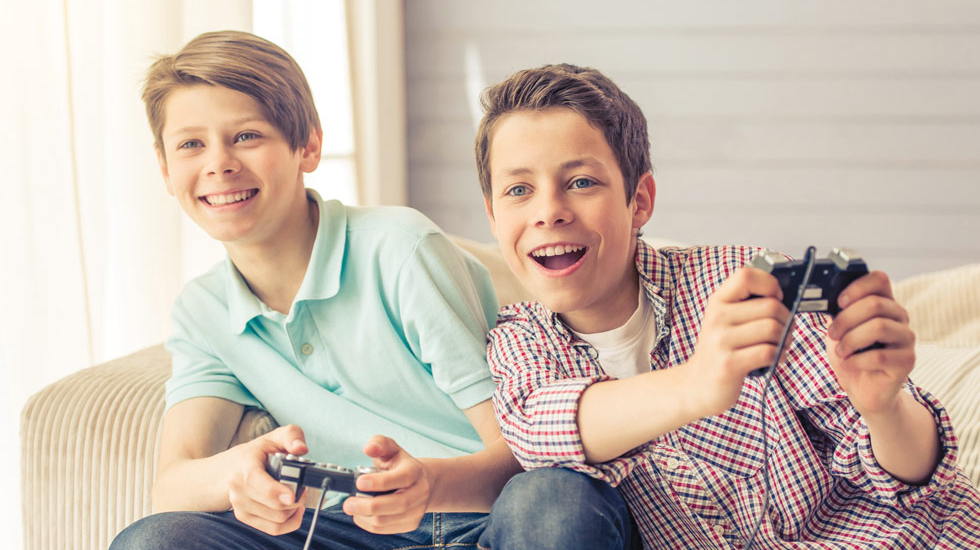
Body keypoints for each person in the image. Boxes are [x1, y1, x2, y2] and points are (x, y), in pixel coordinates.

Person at [110, 33, 634, 550]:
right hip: (349, 529)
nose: (219, 162)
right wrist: (237, 471)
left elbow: (525, 443)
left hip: (486, 516)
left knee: (553, 502)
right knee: (153, 540)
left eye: (247, 136)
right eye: (190, 144)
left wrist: (428, 484)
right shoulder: (204, 310)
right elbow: (170, 486)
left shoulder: (400, 249)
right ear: (165, 169)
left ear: (308, 145)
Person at [476, 63, 980, 548]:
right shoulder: (519, 343)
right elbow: (539, 438)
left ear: (641, 200)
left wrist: (884, 408)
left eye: (581, 182)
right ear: (494, 218)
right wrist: (700, 382)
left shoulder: (741, 282)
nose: (549, 212)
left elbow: (913, 476)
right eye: (519, 190)